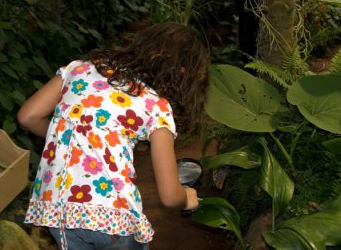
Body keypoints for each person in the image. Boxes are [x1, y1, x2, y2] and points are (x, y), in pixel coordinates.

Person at [17, 22, 210, 250]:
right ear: (183, 74)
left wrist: (73, 136)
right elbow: (169, 196)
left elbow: (28, 116)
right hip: (113, 217)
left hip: (58, 210)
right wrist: (186, 197)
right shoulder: (156, 105)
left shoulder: (78, 69)